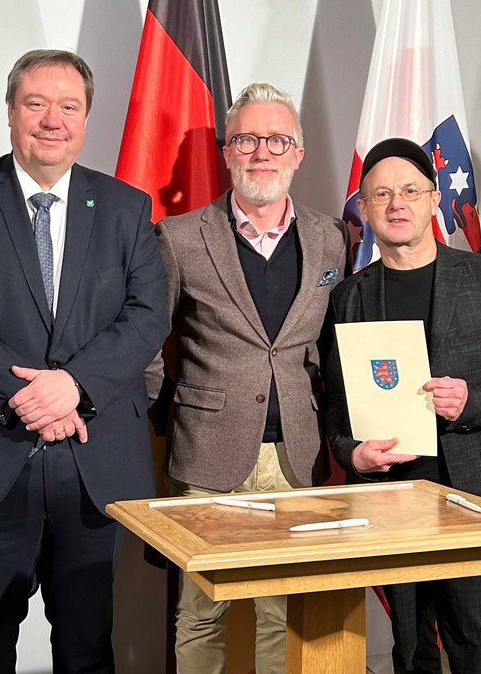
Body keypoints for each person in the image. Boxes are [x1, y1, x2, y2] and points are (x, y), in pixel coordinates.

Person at [0, 49, 168, 673]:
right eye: (36, 104)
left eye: (69, 106)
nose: (52, 119)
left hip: (93, 461)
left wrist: (73, 387)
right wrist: (31, 398)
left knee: (87, 644)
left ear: (85, 118)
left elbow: (146, 315)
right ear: (9, 112)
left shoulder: (125, 206)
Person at [144, 82, 348, 674]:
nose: (263, 152)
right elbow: (147, 344)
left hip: (298, 457)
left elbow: (333, 344)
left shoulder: (331, 236)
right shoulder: (180, 237)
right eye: (248, 139)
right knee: (202, 610)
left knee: (283, 610)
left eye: (278, 140)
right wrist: (173, 418)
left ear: (298, 154)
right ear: (227, 152)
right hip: (209, 454)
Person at [323, 138, 481, 674]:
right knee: (411, 646)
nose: (396, 204)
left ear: (432, 200)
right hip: (392, 494)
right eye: (381, 194)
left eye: (409, 191)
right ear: (366, 209)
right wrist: (350, 453)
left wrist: (474, 399)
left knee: (474, 645)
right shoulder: (350, 297)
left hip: (472, 494)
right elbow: (336, 401)